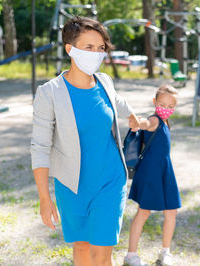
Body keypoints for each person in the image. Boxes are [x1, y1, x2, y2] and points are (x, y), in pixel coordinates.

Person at [30, 16, 140, 266]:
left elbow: (117, 101)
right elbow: (40, 146)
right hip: (71, 186)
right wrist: (44, 198)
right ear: (70, 49)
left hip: (109, 181)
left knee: (101, 254)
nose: (96, 53)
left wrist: (133, 115)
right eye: (88, 47)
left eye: (100, 48)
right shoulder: (49, 93)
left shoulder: (105, 81)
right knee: (81, 249)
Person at [124, 85, 182, 266]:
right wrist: (137, 123)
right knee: (144, 211)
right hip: (150, 172)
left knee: (171, 211)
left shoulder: (165, 122)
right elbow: (145, 124)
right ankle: (131, 255)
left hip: (165, 170)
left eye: (171, 106)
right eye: (162, 104)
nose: (166, 108)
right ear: (154, 102)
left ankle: (165, 252)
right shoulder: (155, 120)